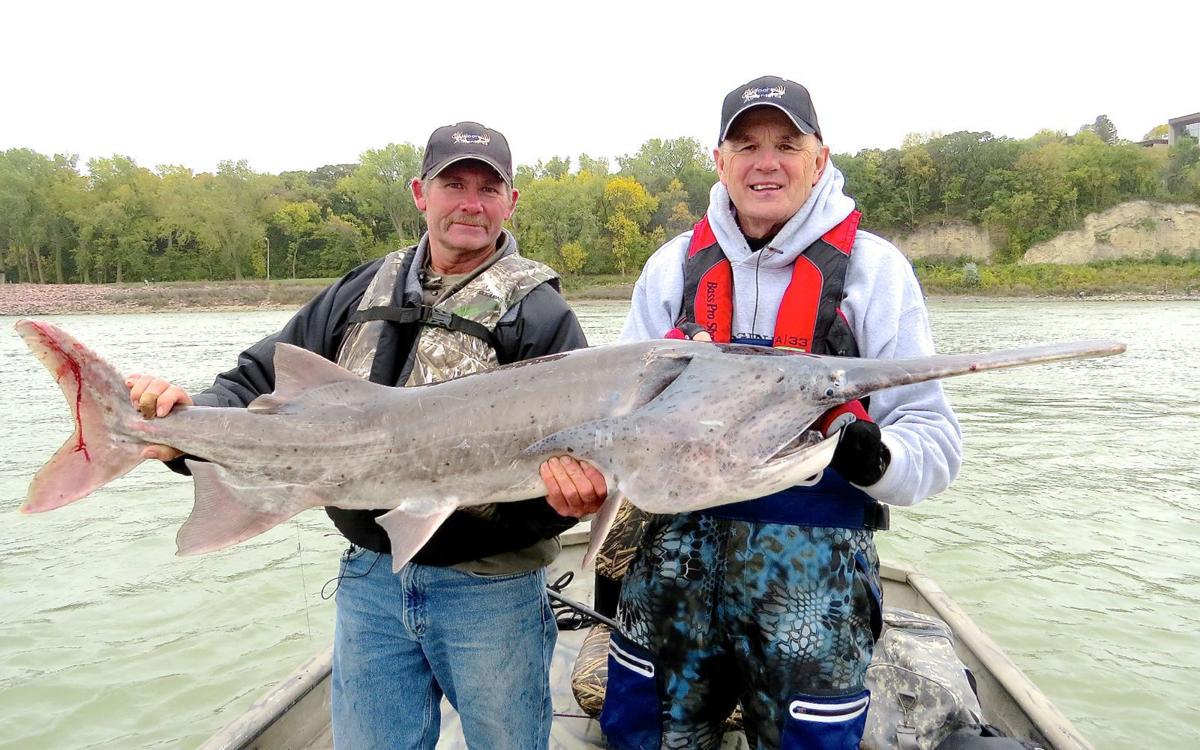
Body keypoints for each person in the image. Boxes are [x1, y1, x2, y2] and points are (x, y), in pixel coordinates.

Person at [126, 121, 607, 749]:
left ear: (511, 202)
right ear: (419, 193)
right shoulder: (360, 289)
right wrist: (185, 422)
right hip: (371, 579)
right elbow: (256, 377)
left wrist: (569, 502)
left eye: (489, 189)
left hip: (490, 590)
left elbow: (575, 466)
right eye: (453, 184)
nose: (471, 202)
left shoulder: (540, 315)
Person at [594, 76, 963, 749]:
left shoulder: (876, 273)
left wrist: (880, 460)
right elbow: (612, 422)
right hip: (670, 569)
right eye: (746, 144)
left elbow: (936, 440)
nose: (766, 162)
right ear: (720, 161)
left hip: (812, 589)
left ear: (819, 158)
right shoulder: (671, 269)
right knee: (640, 734)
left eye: (786, 144)